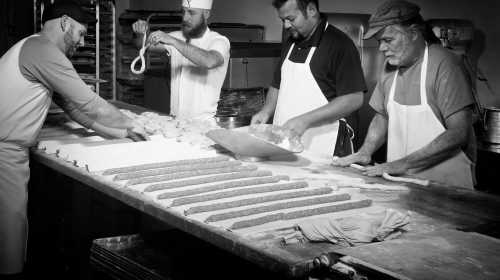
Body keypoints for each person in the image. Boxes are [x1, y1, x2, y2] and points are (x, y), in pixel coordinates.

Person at [0, 2, 147, 277]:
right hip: (4, 152)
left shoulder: (33, 48)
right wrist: (136, 121)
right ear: (65, 22)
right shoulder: (43, 50)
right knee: (9, 237)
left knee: (10, 233)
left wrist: (121, 133)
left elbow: (73, 108)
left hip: (7, 148)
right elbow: (90, 104)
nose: (81, 42)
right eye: (81, 33)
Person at [332, 0, 476, 189]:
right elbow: (382, 116)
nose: (382, 48)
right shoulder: (390, 68)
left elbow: (458, 133)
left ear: (414, 33)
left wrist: (402, 164)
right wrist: (365, 152)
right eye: (379, 42)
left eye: (388, 40)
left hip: (446, 189)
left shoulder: (445, 64)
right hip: (402, 185)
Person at [251, 0, 367, 159]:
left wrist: (305, 121)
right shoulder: (290, 42)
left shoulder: (340, 44)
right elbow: (277, 84)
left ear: (311, 10)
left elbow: (354, 98)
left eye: (291, 19)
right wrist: (266, 110)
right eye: (282, 20)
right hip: (286, 142)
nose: (286, 25)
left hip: (326, 144)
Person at [132, 0, 230, 120]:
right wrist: (141, 33)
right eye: (183, 12)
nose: (185, 18)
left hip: (203, 122)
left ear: (206, 14)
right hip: (175, 119)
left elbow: (209, 61)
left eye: (191, 13)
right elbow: (143, 46)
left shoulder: (219, 41)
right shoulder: (177, 36)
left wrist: (173, 41)